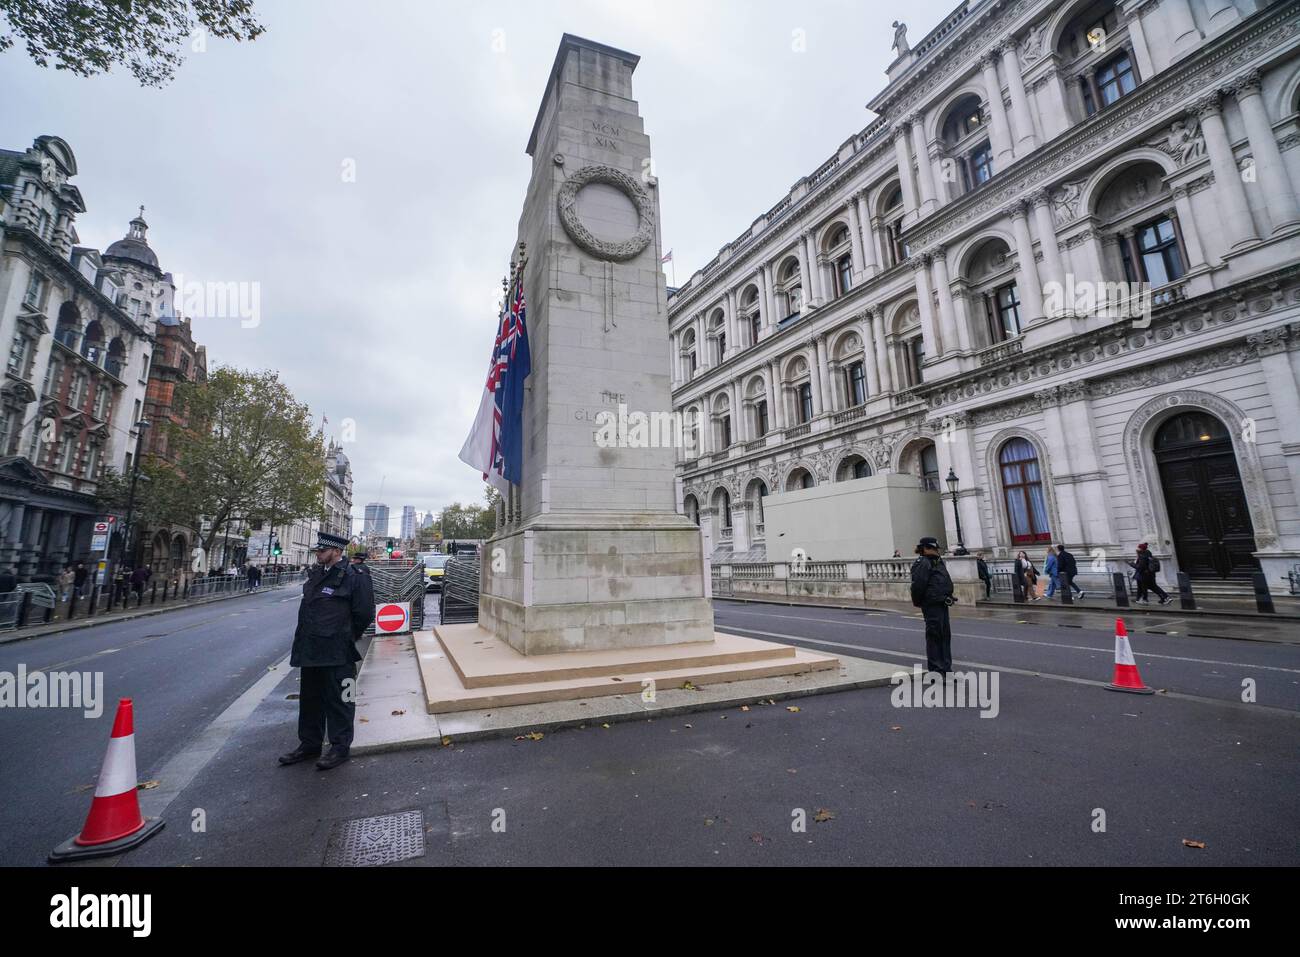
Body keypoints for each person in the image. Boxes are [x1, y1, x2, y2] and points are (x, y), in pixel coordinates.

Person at [279, 531, 372, 771]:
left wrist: (348, 636)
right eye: (317, 551)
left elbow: (364, 613)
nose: (318, 554)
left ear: (337, 552)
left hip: (337, 649)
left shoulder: (356, 576)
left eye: (322, 551)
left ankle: (340, 747)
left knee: (342, 699)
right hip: (310, 648)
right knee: (310, 699)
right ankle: (309, 744)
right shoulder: (316, 574)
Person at [910, 536, 955, 675]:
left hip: (942, 602)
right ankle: (936, 670)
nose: (936, 551)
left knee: (945, 636)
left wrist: (948, 595)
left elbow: (942, 581)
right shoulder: (923, 563)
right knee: (935, 636)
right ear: (924, 549)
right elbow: (918, 585)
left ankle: (946, 668)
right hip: (932, 604)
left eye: (936, 548)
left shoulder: (936, 561)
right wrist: (920, 602)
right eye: (932, 548)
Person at [349, 550, 375, 617]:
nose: (353, 560)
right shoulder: (365, 567)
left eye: (355, 559)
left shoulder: (353, 568)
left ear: (359, 560)